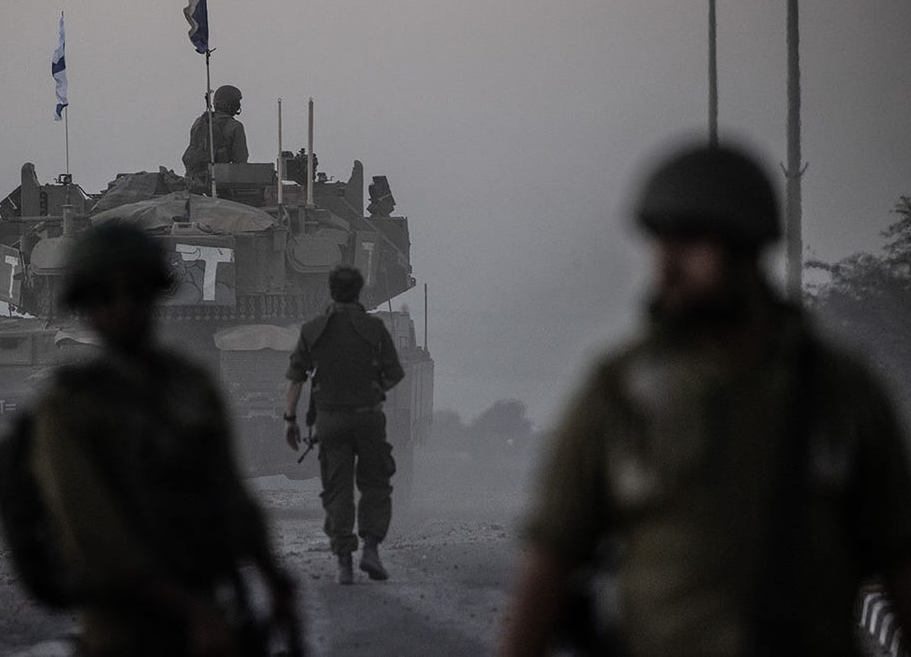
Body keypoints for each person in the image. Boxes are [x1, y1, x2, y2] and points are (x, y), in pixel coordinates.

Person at [498, 142, 911, 656]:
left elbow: (898, 557)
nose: (666, 266)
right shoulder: (621, 392)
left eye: (690, 242)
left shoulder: (843, 395)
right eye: (661, 243)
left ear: (746, 250)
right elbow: (551, 560)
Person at [11, 222, 299, 656]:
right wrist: (194, 612)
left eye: (138, 292)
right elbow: (95, 537)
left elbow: (230, 494)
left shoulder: (190, 385)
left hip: (210, 606)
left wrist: (273, 577)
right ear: (86, 305)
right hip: (123, 629)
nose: (124, 307)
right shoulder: (70, 406)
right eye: (105, 296)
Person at [284, 265, 405, 585]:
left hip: (330, 420)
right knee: (376, 484)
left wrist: (290, 419)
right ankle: (371, 548)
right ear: (360, 291)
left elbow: (296, 380)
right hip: (368, 417)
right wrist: (374, 390)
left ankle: (344, 563)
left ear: (330, 290)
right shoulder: (375, 328)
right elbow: (395, 373)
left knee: (337, 490)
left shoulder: (312, 330)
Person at [182, 84, 249, 190]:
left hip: (194, 182)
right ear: (233, 104)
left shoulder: (199, 122)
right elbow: (240, 161)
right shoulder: (235, 126)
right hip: (221, 184)